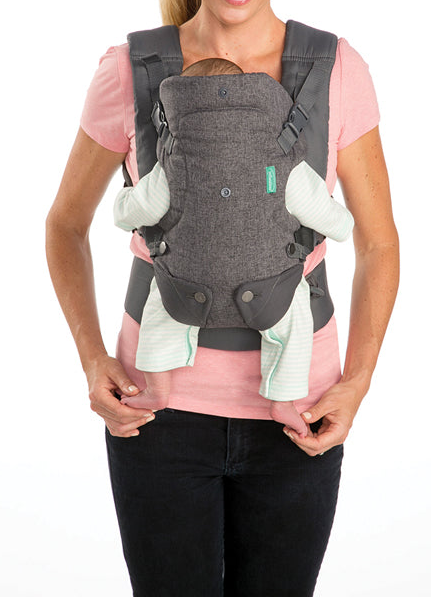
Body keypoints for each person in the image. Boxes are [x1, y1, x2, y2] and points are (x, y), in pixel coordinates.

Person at [46, 0, 399, 597]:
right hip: (156, 414)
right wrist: (92, 359)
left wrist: (358, 381)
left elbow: (378, 241)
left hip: (299, 411)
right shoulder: (131, 71)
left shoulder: (335, 69)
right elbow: (64, 225)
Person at [113, 56, 355, 438]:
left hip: (184, 287)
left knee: (159, 310)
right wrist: (343, 224)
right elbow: (326, 216)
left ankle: (157, 389)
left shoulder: (175, 161)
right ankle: (283, 400)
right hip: (272, 287)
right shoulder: (280, 158)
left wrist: (122, 205)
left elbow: (140, 209)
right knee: (295, 321)